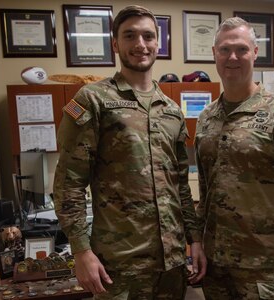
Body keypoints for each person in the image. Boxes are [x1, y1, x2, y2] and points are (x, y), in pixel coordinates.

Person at [53, 5, 206, 299]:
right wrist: (81, 251)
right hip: (119, 264)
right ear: (115, 44)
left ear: (157, 44)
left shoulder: (172, 110)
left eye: (148, 36)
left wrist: (194, 239)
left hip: (171, 263)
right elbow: (68, 183)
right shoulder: (93, 99)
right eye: (130, 36)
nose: (140, 44)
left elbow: (181, 186)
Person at [194, 17, 274, 299]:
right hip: (216, 264)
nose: (233, 57)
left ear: (255, 53)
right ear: (214, 54)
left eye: (241, 49)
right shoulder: (207, 118)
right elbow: (205, 190)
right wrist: (197, 243)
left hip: (264, 266)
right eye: (225, 50)